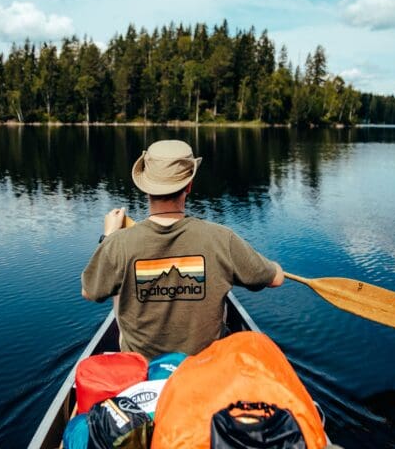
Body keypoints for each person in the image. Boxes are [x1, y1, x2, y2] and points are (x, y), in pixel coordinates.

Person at [81, 140, 284, 360]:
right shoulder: (221, 238)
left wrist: (108, 237)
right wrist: (273, 266)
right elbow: (276, 279)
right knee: (222, 294)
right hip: (202, 364)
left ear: (146, 188)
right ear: (189, 186)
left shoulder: (118, 243)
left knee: (118, 287)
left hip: (142, 363)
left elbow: (90, 291)